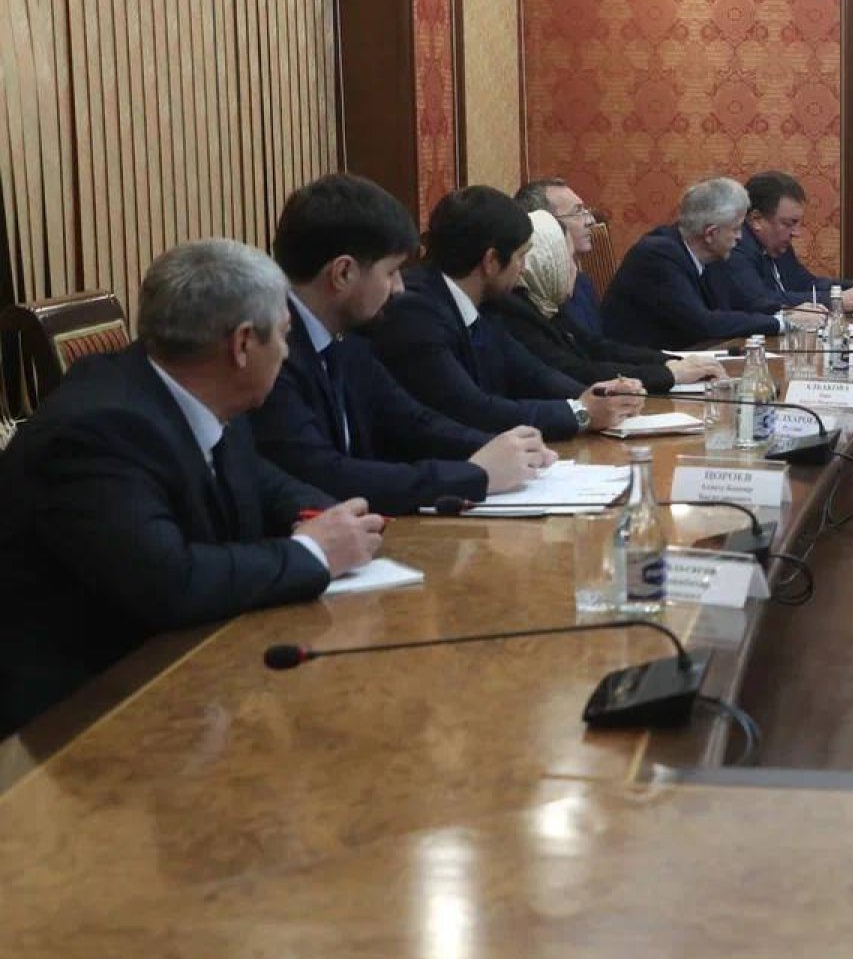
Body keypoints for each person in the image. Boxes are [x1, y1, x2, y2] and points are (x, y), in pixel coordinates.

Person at [0, 239, 384, 736]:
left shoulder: (199, 387)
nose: (288, 352)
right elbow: (169, 583)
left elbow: (258, 480)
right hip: (81, 719)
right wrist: (314, 553)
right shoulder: (97, 431)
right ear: (242, 345)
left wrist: (325, 516)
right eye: (284, 335)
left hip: (185, 673)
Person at [254, 174, 556, 517]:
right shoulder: (270, 353)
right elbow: (327, 475)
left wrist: (504, 450)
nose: (399, 287)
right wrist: (475, 475)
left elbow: (412, 421)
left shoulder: (346, 339)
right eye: (391, 272)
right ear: (343, 273)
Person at [362, 185, 644, 442]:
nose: (524, 269)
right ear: (492, 261)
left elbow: (532, 373)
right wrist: (580, 413)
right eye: (521, 257)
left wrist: (602, 395)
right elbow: (473, 410)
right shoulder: (414, 312)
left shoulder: (488, 304)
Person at [495, 209, 726, 391]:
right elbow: (576, 372)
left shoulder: (545, 303)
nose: (576, 270)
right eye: (569, 260)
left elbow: (597, 347)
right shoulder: (515, 312)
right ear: (545, 264)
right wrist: (670, 374)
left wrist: (669, 361)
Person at [601, 177, 824, 349]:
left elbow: (739, 304)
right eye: (735, 229)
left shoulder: (709, 255)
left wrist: (789, 314)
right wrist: (784, 322)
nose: (740, 238)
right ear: (711, 233)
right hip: (636, 373)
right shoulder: (658, 256)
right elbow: (704, 323)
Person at [723, 170, 853, 314]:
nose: (796, 233)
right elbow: (761, 301)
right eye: (788, 223)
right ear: (756, 219)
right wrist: (836, 300)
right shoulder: (734, 247)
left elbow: (806, 283)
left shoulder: (778, 246)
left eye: (797, 223)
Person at [514, 177, 605, 333]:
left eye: (585, 211)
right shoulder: (536, 298)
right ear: (547, 224)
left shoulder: (583, 283)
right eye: (577, 212)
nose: (590, 220)